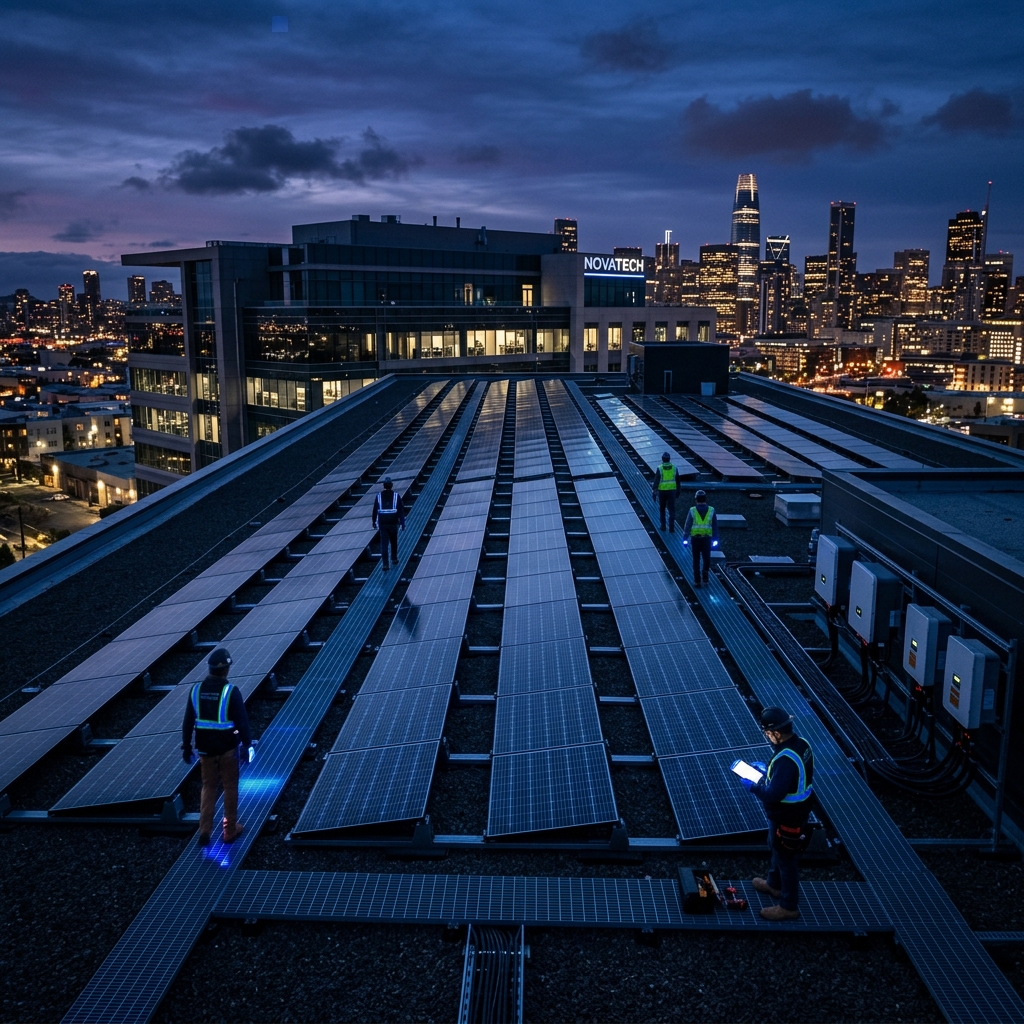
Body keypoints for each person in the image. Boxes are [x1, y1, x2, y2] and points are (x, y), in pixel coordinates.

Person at [740, 706, 816, 921]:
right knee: (776, 846)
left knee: (786, 858)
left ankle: (789, 906)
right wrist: (767, 771)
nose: (767, 737)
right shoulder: (802, 744)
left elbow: (773, 794)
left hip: (787, 816)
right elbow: (791, 777)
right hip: (796, 811)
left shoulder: (785, 758)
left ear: (774, 733)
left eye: (767, 733)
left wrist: (753, 785)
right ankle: (774, 884)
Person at [181, 647, 252, 846]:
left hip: (205, 750)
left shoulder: (195, 691)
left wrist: (186, 746)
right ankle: (229, 830)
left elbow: (188, 722)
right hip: (228, 749)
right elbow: (242, 722)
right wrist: (247, 745)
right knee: (229, 787)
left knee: (208, 787)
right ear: (226, 669)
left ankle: (204, 830)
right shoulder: (231, 691)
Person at [681, 489, 719, 587]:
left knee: (696, 560)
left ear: (696, 499)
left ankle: (697, 581)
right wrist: (715, 539)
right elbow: (714, 526)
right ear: (705, 499)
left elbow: (687, 525)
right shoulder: (712, 510)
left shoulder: (692, 510)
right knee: (707, 558)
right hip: (707, 539)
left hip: (695, 539)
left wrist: (685, 539)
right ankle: (705, 576)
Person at [372, 476, 406, 571]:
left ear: (383, 486)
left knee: (384, 544)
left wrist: (374, 521)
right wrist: (403, 523)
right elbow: (401, 511)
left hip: (383, 523)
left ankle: (385, 564)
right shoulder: (396, 496)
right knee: (393, 542)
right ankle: (394, 558)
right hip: (393, 523)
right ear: (391, 485)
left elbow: (375, 510)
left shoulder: (378, 496)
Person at [651, 452, 679, 532]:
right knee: (672, 509)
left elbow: (656, 480)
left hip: (662, 491)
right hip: (672, 491)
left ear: (662, 459)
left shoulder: (660, 468)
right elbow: (678, 481)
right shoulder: (674, 468)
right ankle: (671, 528)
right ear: (669, 459)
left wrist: (654, 490)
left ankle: (663, 526)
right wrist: (678, 491)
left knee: (662, 509)